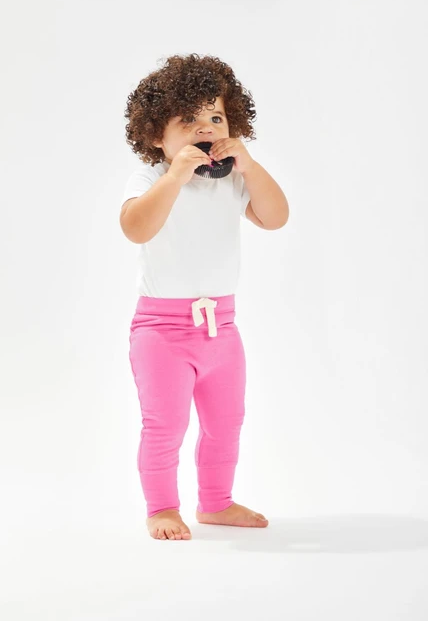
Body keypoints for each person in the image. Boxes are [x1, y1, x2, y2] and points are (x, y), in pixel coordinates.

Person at [120, 53, 289, 540]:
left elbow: (276, 217)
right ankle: (161, 508)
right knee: (165, 424)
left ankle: (216, 503)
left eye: (215, 118)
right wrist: (174, 177)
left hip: (222, 329)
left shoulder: (233, 180)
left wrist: (250, 166)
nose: (205, 129)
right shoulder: (151, 178)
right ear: (157, 136)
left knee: (227, 422)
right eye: (188, 121)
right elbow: (136, 228)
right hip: (161, 331)